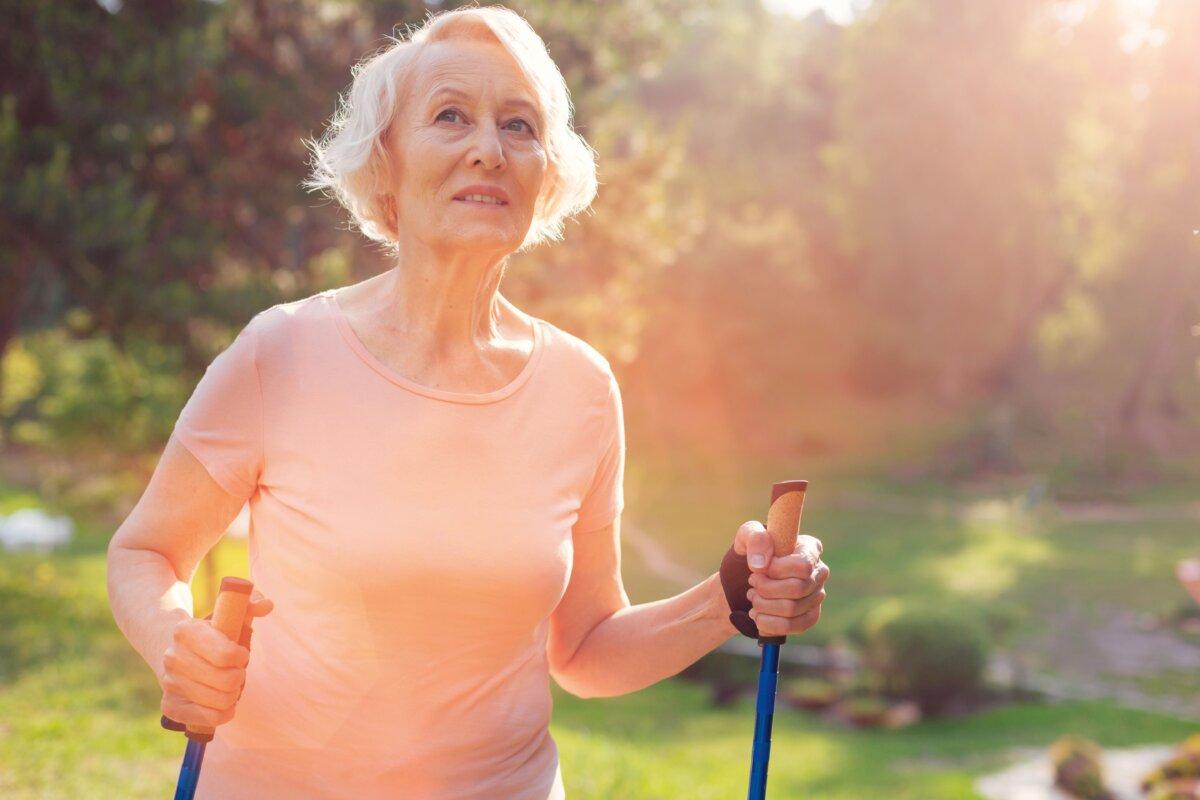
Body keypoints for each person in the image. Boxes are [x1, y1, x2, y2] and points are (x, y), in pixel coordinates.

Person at [105, 6, 829, 798]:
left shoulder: (580, 389)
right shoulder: (279, 352)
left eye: (519, 126)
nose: (489, 149)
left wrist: (730, 598)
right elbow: (145, 554)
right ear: (386, 163)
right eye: (451, 116)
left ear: (545, 173)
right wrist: (179, 642)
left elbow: (584, 650)